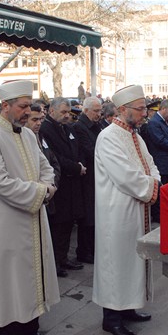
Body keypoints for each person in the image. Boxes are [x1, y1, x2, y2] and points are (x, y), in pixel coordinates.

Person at [0, 80, 60, 335]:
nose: (28, 112)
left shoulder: (26, 135)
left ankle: (31, 330)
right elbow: (1, 183)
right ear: (5, 106)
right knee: (11, 282)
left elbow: (45, 165)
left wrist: (47, 185)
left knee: (33, 275)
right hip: (6, 224)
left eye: (29, 106)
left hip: (34, 217)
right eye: (23, 107)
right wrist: (41, 192)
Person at [93, 85, 160, 335]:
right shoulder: (108, 137)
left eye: (145, 108)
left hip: (137, 207)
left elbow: (150, 164)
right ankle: (111, 319)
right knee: (116, 263)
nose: (145, 113)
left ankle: (129, 307)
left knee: (134, 260)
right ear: (123, 110)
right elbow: (125, 176)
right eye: (140, 108)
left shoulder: (136, 135)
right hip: (117, 212)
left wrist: (154, 180)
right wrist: (152, 186)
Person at [39, 97, 85, 277]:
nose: (67, 116)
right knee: (58, 224)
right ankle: (55, 261)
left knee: (67, 222)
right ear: (52, 111)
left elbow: (77, 148)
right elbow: (54, 156)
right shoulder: (46, 129)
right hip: (60, 183)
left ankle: (64, 257)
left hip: (73, 181)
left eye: (68, 112)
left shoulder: (67, 128)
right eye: (63, 112)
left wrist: (80, 163)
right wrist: (75, 167)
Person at [73, 97, 103, 264]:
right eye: (96, 111)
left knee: (94, 214)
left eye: (100, 111)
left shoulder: (96, 126)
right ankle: (84, 251)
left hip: (96, 176)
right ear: (85, 111)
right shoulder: (79, 127)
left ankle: (91, 249)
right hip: (87, 176)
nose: (99, 114)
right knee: (87, 216)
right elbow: (92, 150)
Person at [145, 98, 168, 222]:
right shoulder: (154, 123)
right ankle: (159, 216)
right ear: (163, 108)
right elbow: (159, 140)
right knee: (161, 189)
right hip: (162, 161)